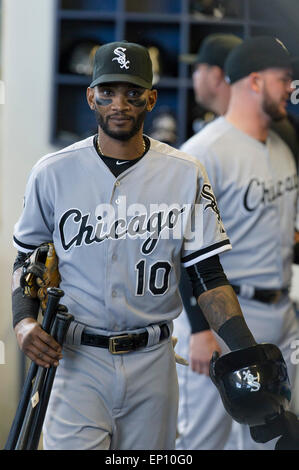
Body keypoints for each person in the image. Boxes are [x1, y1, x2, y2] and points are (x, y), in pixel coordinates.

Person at [11, 40, 261, 450]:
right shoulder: (52, 172)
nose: (119, 104)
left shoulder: (185, 172)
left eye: (132, 92)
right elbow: (29, 257)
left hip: (153, 361)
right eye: (107, 92)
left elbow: (208, 275)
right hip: (76, 359)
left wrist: (247, 351)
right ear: (91, 96)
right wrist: (22, 321)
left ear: (151, 97)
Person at [174, 36, 299, 450]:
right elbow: (180, 247)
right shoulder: (204, 151)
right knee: (204, 439)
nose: (291, 88)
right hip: (225, 320)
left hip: (280, 314)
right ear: (256, 81)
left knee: (268, 438)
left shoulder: (282, 145)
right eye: (284, 79)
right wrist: (198, 329)